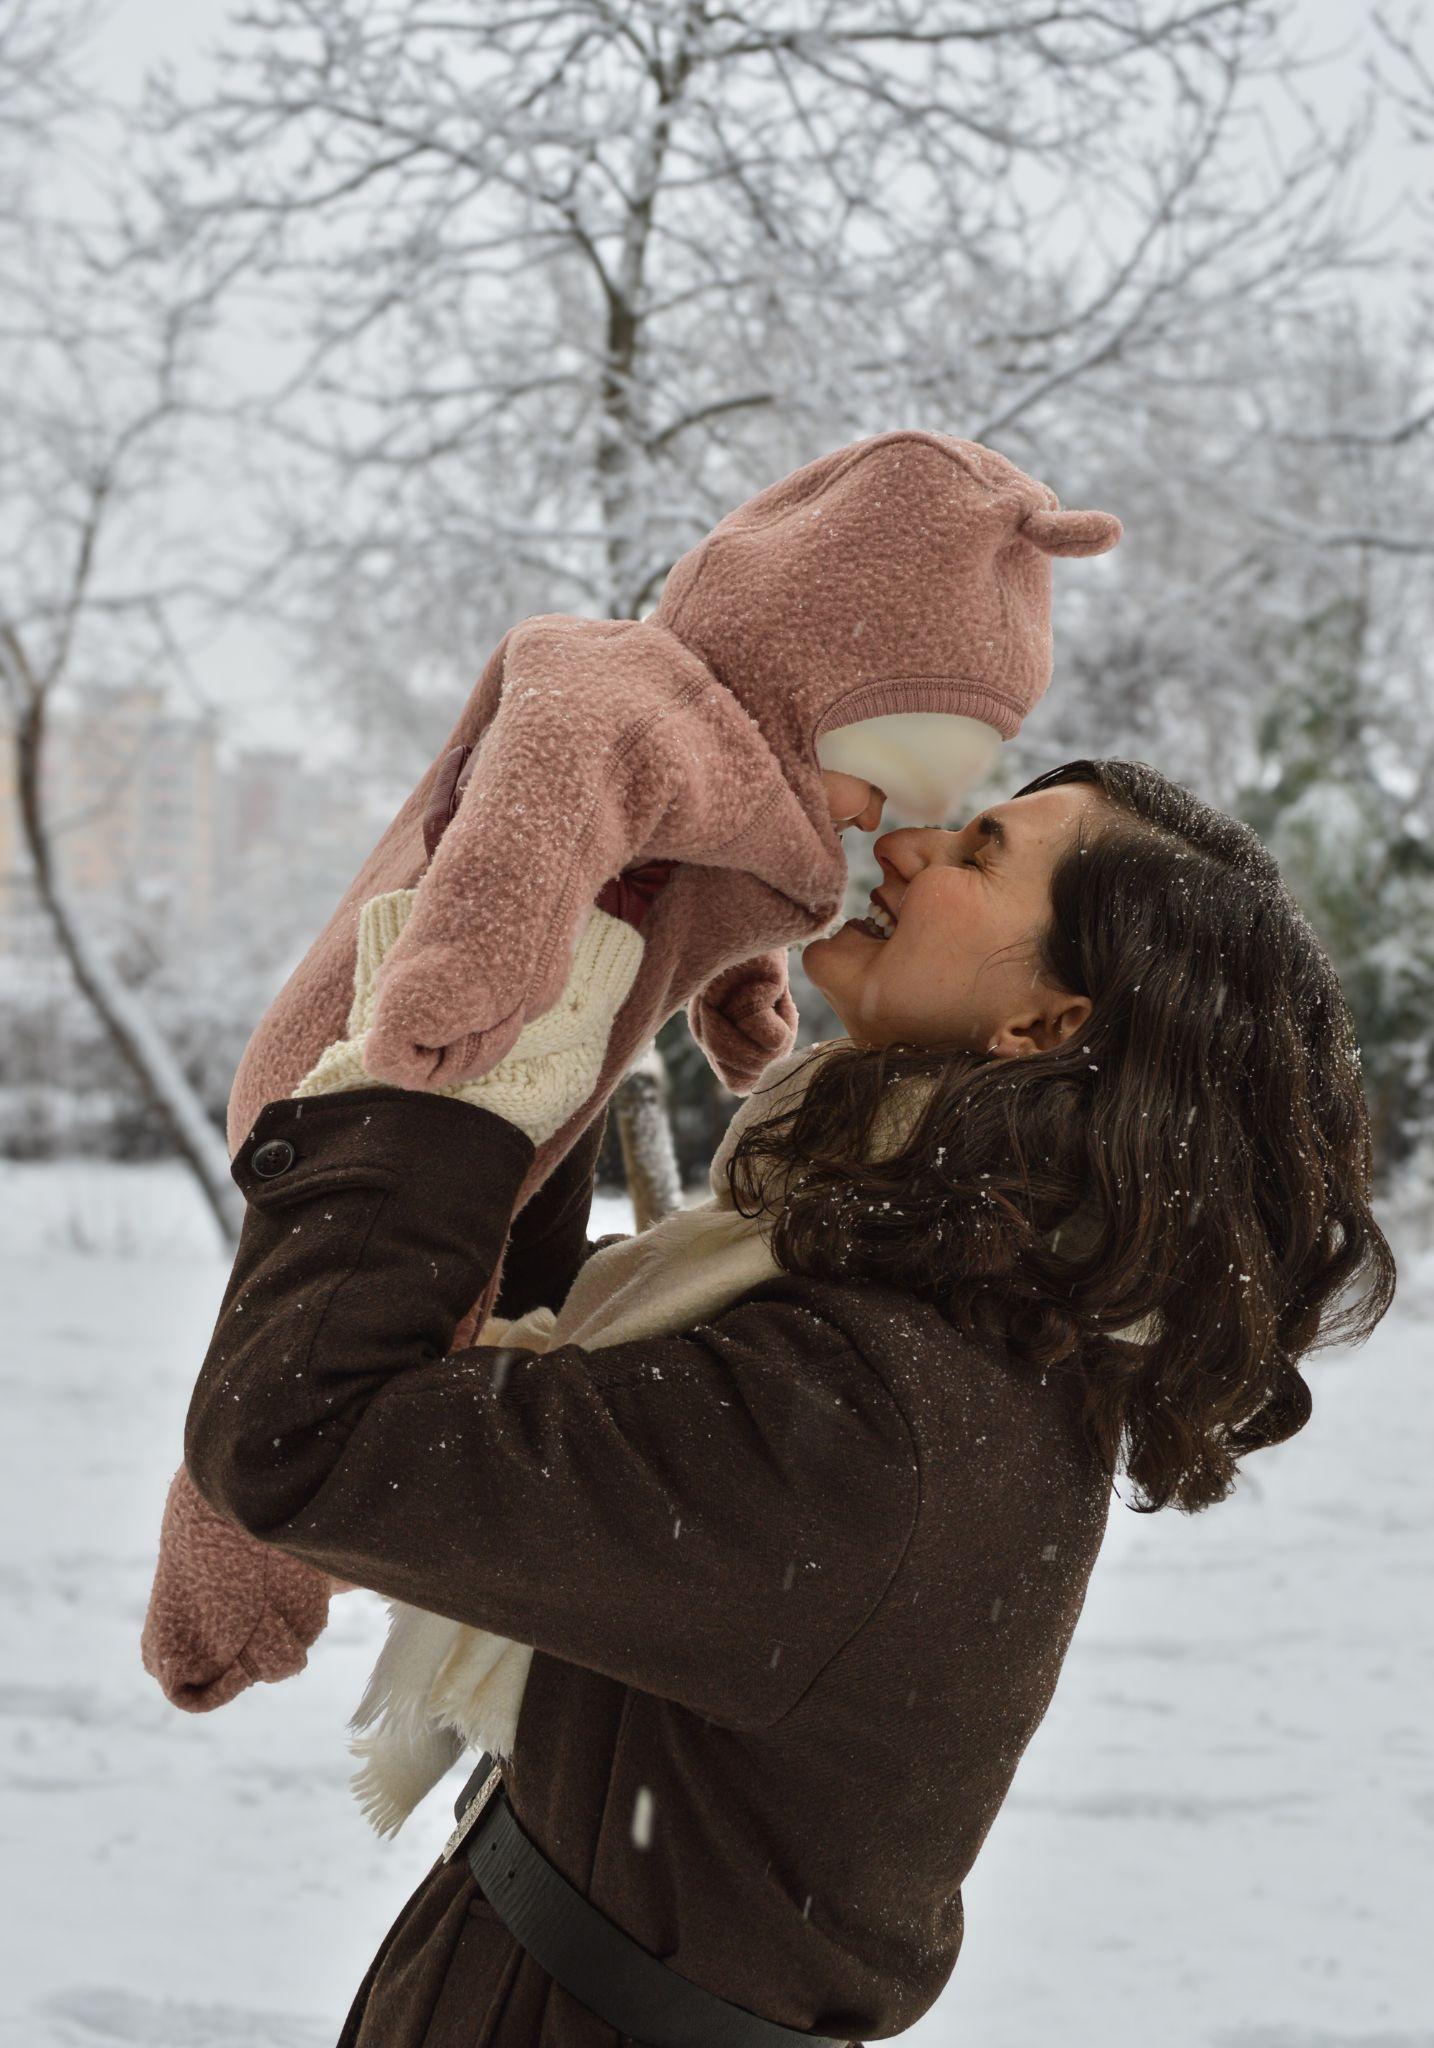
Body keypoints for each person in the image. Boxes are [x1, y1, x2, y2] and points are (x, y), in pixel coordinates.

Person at [183, 757, 1394, 2048]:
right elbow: (539, 1373)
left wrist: (447, 1020)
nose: (907, 849)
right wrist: (607, 943)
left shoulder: (874, 1420)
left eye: (979, 853)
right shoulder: (949, 1324)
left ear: (1044, 1027)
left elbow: (305, 1430)